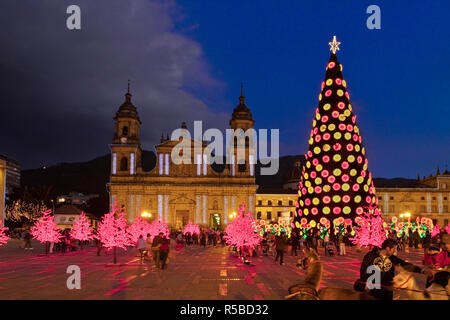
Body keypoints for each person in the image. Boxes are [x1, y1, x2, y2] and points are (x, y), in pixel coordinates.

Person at [355, 239, 430, 300]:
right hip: (373, 290)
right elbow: (364, 270)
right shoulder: (371, 256)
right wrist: (366, 284)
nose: (394, 251)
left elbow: (405, 265)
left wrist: (422, 271)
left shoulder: (392, 259)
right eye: (394, 249)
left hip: (388, 290)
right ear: (387, 248)